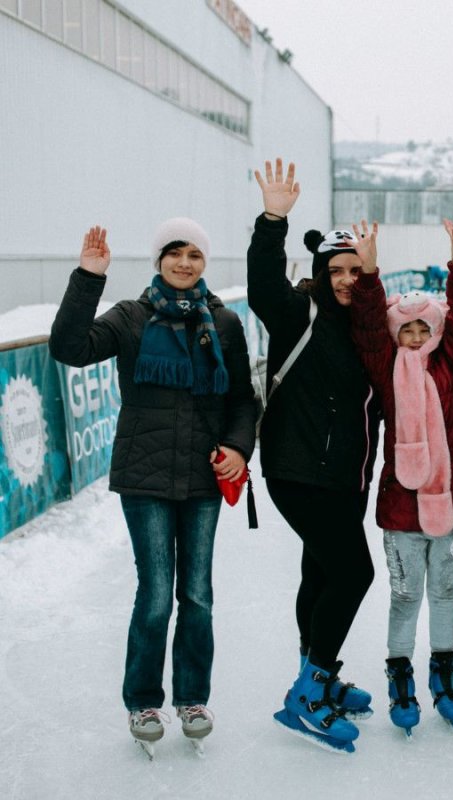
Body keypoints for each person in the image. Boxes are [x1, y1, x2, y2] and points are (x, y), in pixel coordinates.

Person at [49, 221, 256, 756]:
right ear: (158, 259)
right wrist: (88, 278)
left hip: (204, 478)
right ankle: (143, 701)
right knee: (158, 594)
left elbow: (242, 400)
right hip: (144, 477)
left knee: (198, 595)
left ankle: (192, 698)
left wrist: (238, 447)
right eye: (174, 253)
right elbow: (69, 347)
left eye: (194, 255)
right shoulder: (131, 317)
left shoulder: (224, 323)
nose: (185, 263)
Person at [248, 159, 381, 753]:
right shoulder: (297, 311)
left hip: (348, 476)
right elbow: (261, 284)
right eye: (337, 269)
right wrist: (272, 220)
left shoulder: (368, 328)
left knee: (322, 572)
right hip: (298, 469)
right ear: (321, 272)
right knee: (354, 573)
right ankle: (308, 693)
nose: (347, 279)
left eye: (356, 268)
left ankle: (316, 676)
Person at [348, 218, 453, 736]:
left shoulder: (451, 362)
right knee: (407, 595)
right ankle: (400, 674)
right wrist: (369, 272)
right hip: (402, 502)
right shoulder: (385, 365)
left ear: (435, 330)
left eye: (422, 329)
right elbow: (368, 324)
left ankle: (444, 674)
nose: (414, 337)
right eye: (405, 329)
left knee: (446, 593)